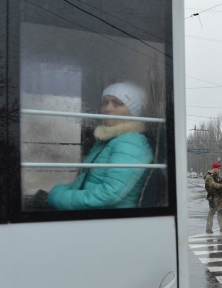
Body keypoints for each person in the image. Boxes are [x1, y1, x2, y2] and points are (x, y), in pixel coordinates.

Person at [48, 83, 153, 211]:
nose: (107, 109)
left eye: (117, 104)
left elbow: (108, 195)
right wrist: (60, 190)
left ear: (132, 112)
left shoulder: (130, 143)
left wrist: (59, 197)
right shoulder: (108, 140)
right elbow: (89, 182)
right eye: (105, 103)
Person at [205, 163, 222, 234]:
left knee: (220, 211)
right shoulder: (209, 176)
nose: (219, 170)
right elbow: (213, 185)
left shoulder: (217, 176)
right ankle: (208, 228)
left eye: (219, 168)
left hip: (219, 196)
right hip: (213, 197)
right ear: (214, 168)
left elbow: (220, 184)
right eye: (218, 168)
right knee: (212, 212)